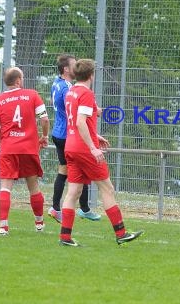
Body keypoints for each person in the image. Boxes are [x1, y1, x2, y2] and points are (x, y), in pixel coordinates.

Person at [59, 59, 143, 246]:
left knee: (73, 191)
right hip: (83, 148)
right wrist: (93, 147)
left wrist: (96, 136)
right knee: (107, 188)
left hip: (70, 146)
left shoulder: (71, 92)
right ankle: (121, 233)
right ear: (91, 75)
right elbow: (80, 122)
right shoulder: (86, 93)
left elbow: (77, 122)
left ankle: (65, 237)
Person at [0, 67, 49, 236]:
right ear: (19, 80)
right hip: (29, 148)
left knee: (5, 187)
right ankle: (39, 223)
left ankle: (3, 227)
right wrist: (44, 136)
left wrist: (2, 128)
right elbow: (44, 119)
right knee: (33, 186)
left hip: (9, 148)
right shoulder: (32, 95)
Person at [48, 54, 101, 223]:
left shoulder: (57, 83)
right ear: (66, 69)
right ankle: (76, 208)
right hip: (68, 133)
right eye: (74, 65)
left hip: (59, 131)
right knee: (80, 168)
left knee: (64, 170)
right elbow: (74, 109)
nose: (77, 67)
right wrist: (93, 110)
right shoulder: (68, 88)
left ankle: (59, 207)